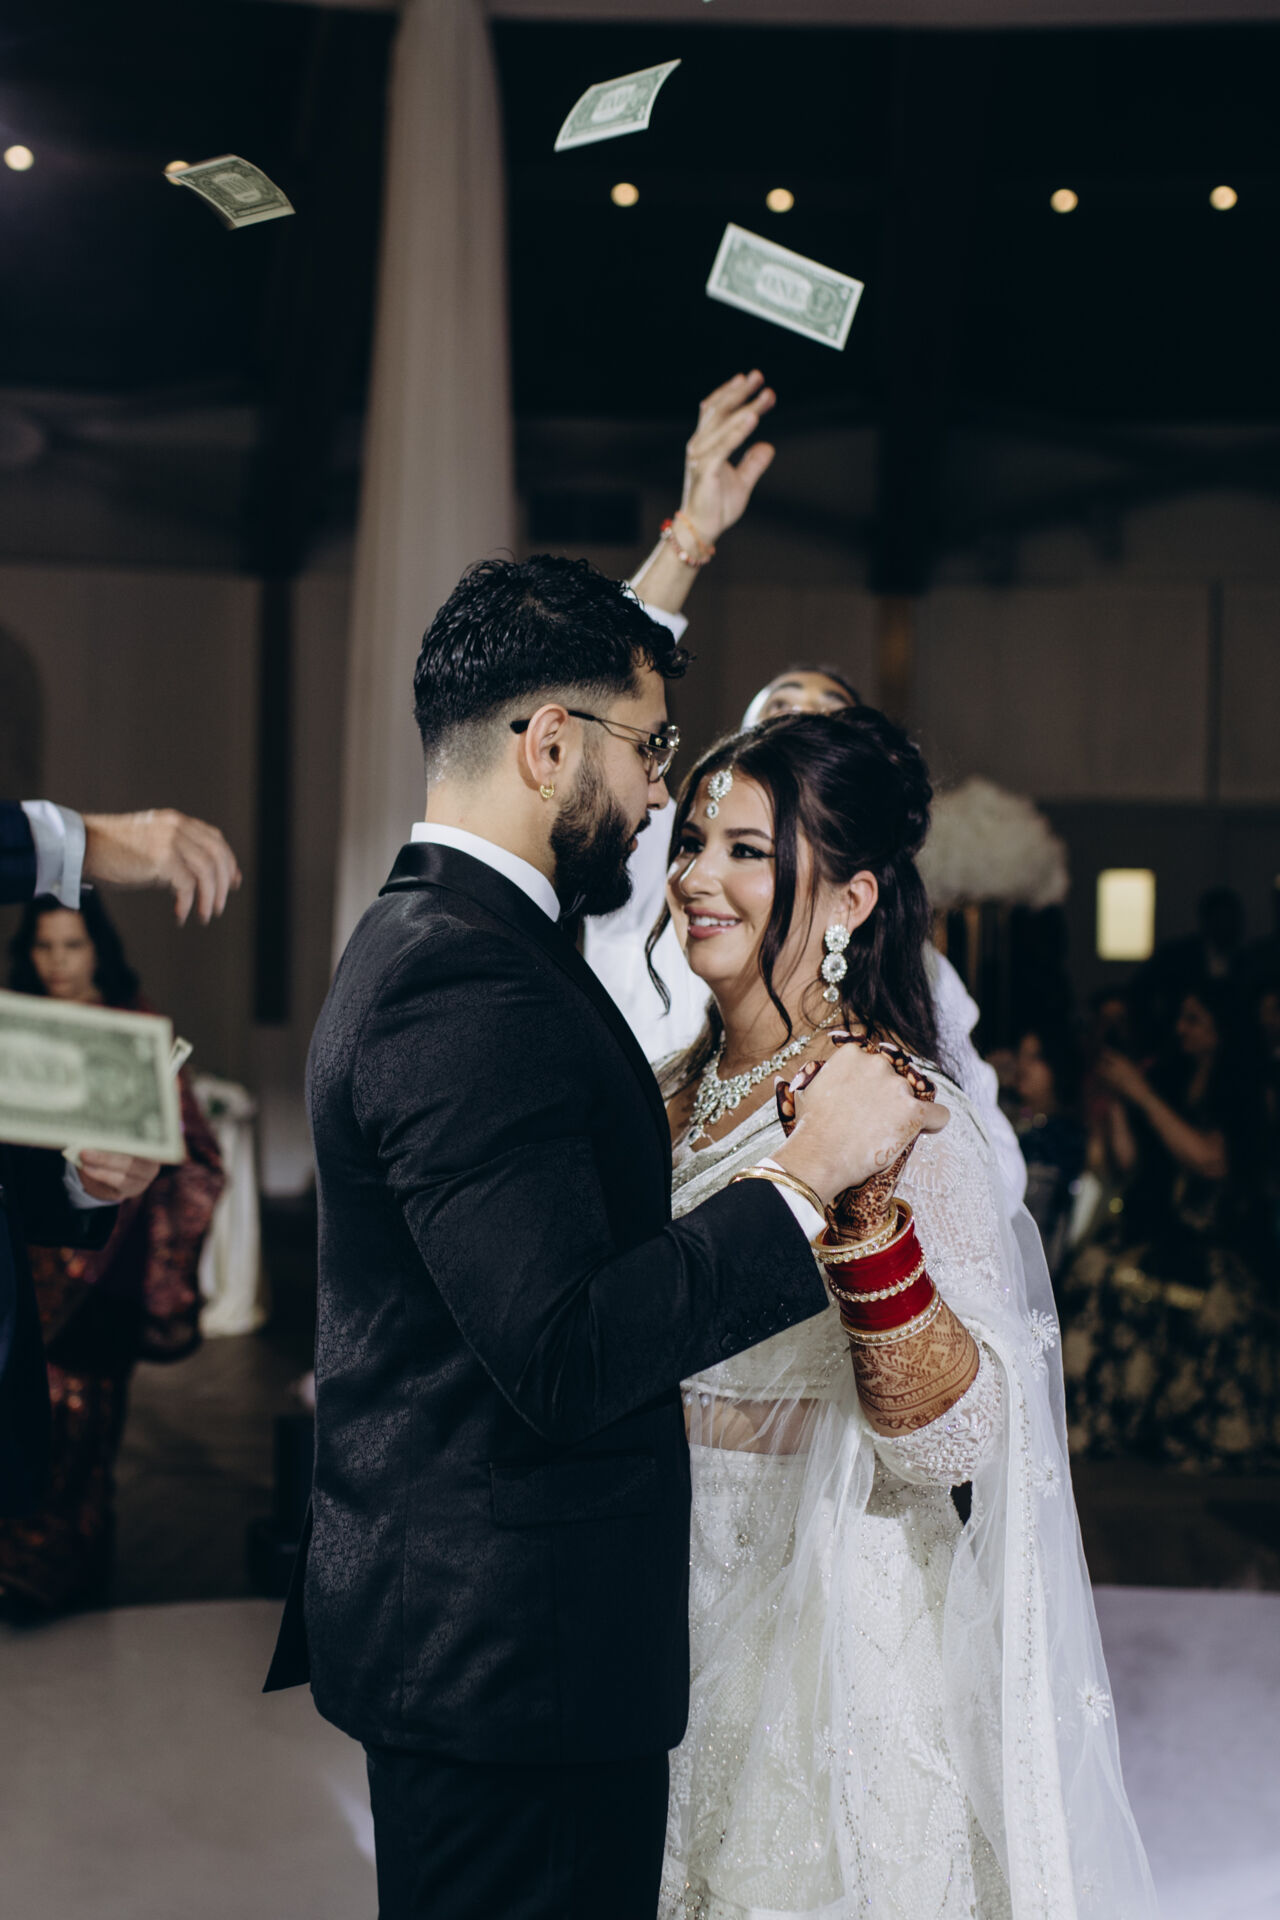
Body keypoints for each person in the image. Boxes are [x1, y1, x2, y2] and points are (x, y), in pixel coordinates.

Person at [263, 554, 943, 1920]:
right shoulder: (465, 979)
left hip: (501, 1645)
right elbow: (567, 1350)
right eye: (648, 753)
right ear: (549, 745)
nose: (653, 801)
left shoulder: (450, 942)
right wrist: (806, 1178)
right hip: (514, 1666)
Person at [653, 706, 1156, 1920]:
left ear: (850, 899)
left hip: (829, 1611)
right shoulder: (665, 1091)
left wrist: (861, 1218)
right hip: (657, 1584)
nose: (695, 879)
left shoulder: (895, 1106)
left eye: (744, 851)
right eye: (690, 843)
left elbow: (956, 1441)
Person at [584, 373, 1027, 1213]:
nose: (700, 876)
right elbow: (597, 707)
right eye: (775, 717)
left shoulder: (905, 982)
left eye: (821, 730)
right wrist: (690, 535)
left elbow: (987, 1179)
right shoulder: (660, 870)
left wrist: (844, 1167)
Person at [0, 798, 240, 1518]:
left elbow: (191, 1150)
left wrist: (86, 1184)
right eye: (44, 947)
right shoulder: (17, 1025)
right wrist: (80, 841)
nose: (56, 961)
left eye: (72, 946)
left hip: (91, 1276)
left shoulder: (130, 1025)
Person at [1062, 981, 1278, 1470]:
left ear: (1222, 1029)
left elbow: (1210, 1161)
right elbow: (1128, 1164)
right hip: (1161, 1232)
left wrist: (1142, 1096)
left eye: (1194, 1020)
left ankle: (1184, 1425)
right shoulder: (1172, 1078)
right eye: (1181, 1018)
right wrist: (1116, 1103)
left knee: (1203, 1300)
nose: (1182, 1029)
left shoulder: (1245, 1090)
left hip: (1222, 1241)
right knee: (1092, 1269)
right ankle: (1096, 1423)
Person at [1009, 1023, 1087, 1279]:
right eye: (1020, 1055)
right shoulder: (1007, 1119)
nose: (1023, 1065)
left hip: (1037, 1263)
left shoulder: (1066, 1136)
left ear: (1056, 1066)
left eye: (1035, 1058)